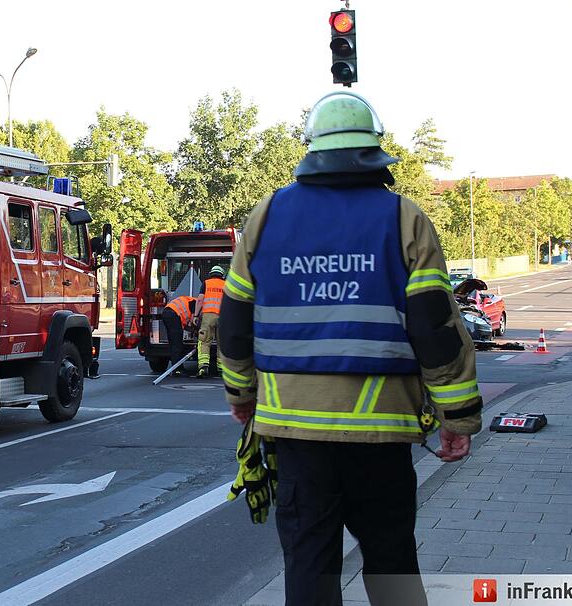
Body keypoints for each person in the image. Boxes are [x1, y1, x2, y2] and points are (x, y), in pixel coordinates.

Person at [218, 91, 482, 606]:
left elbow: (234, 318)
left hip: (296, 435)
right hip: (382, 437)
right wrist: (458, 416)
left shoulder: (267, 215)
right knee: (392, 569)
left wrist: (241, 392)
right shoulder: (405, 218)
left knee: (310, 571)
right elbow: (434, 328)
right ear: (374, 150)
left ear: (312, 149)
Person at [195, 265, 226, 378]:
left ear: (211, 274)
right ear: (222, 275)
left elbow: (200, 300)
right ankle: (222, 369)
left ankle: (203, 367)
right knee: (222, 343)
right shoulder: (226, 284)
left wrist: (195, 315)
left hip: (208, 316)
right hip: (223, 317)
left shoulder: (206, 283)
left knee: (204, 341)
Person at [161, 295, 196, 376]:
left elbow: (185, 325)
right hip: (173, 315)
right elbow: (194, 320)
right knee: (177, 344)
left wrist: (192, 330)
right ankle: (178, 369)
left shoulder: (189, 302)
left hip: (167, 313)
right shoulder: (196, 302)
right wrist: (196, 329)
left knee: (173, 343)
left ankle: (175, 367)